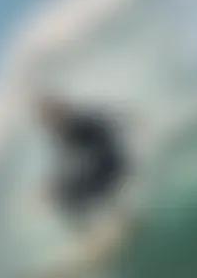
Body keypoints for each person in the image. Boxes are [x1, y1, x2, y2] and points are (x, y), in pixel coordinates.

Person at [36, 94, 128, 226]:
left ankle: (116, 217)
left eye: (51, 116)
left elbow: (106, 137)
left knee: (68, 194)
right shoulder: (65, 133)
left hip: (111, 165)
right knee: (64, 194)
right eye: (48, 119)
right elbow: (66, 163)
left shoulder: (80, 123)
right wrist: (53, 185)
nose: (51, 122)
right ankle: (99, 224)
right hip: (101, 167)